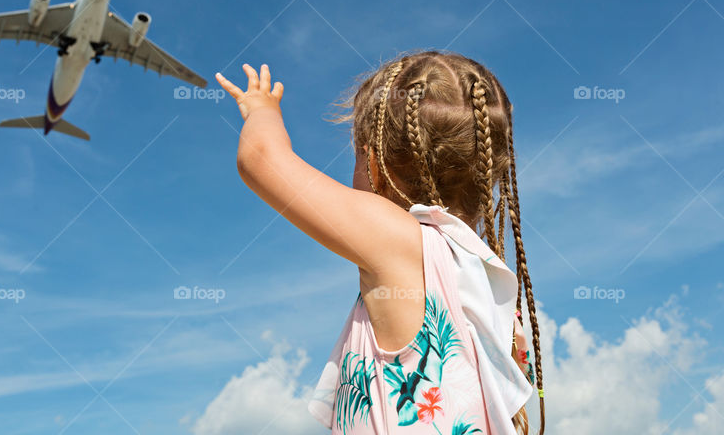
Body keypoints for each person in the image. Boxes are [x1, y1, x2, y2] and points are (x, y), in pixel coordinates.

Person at [215, 50, 545, 434]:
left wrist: (261, 109)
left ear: (374, 163)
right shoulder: (493, 290)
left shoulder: (403, 241)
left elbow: (260, 158)